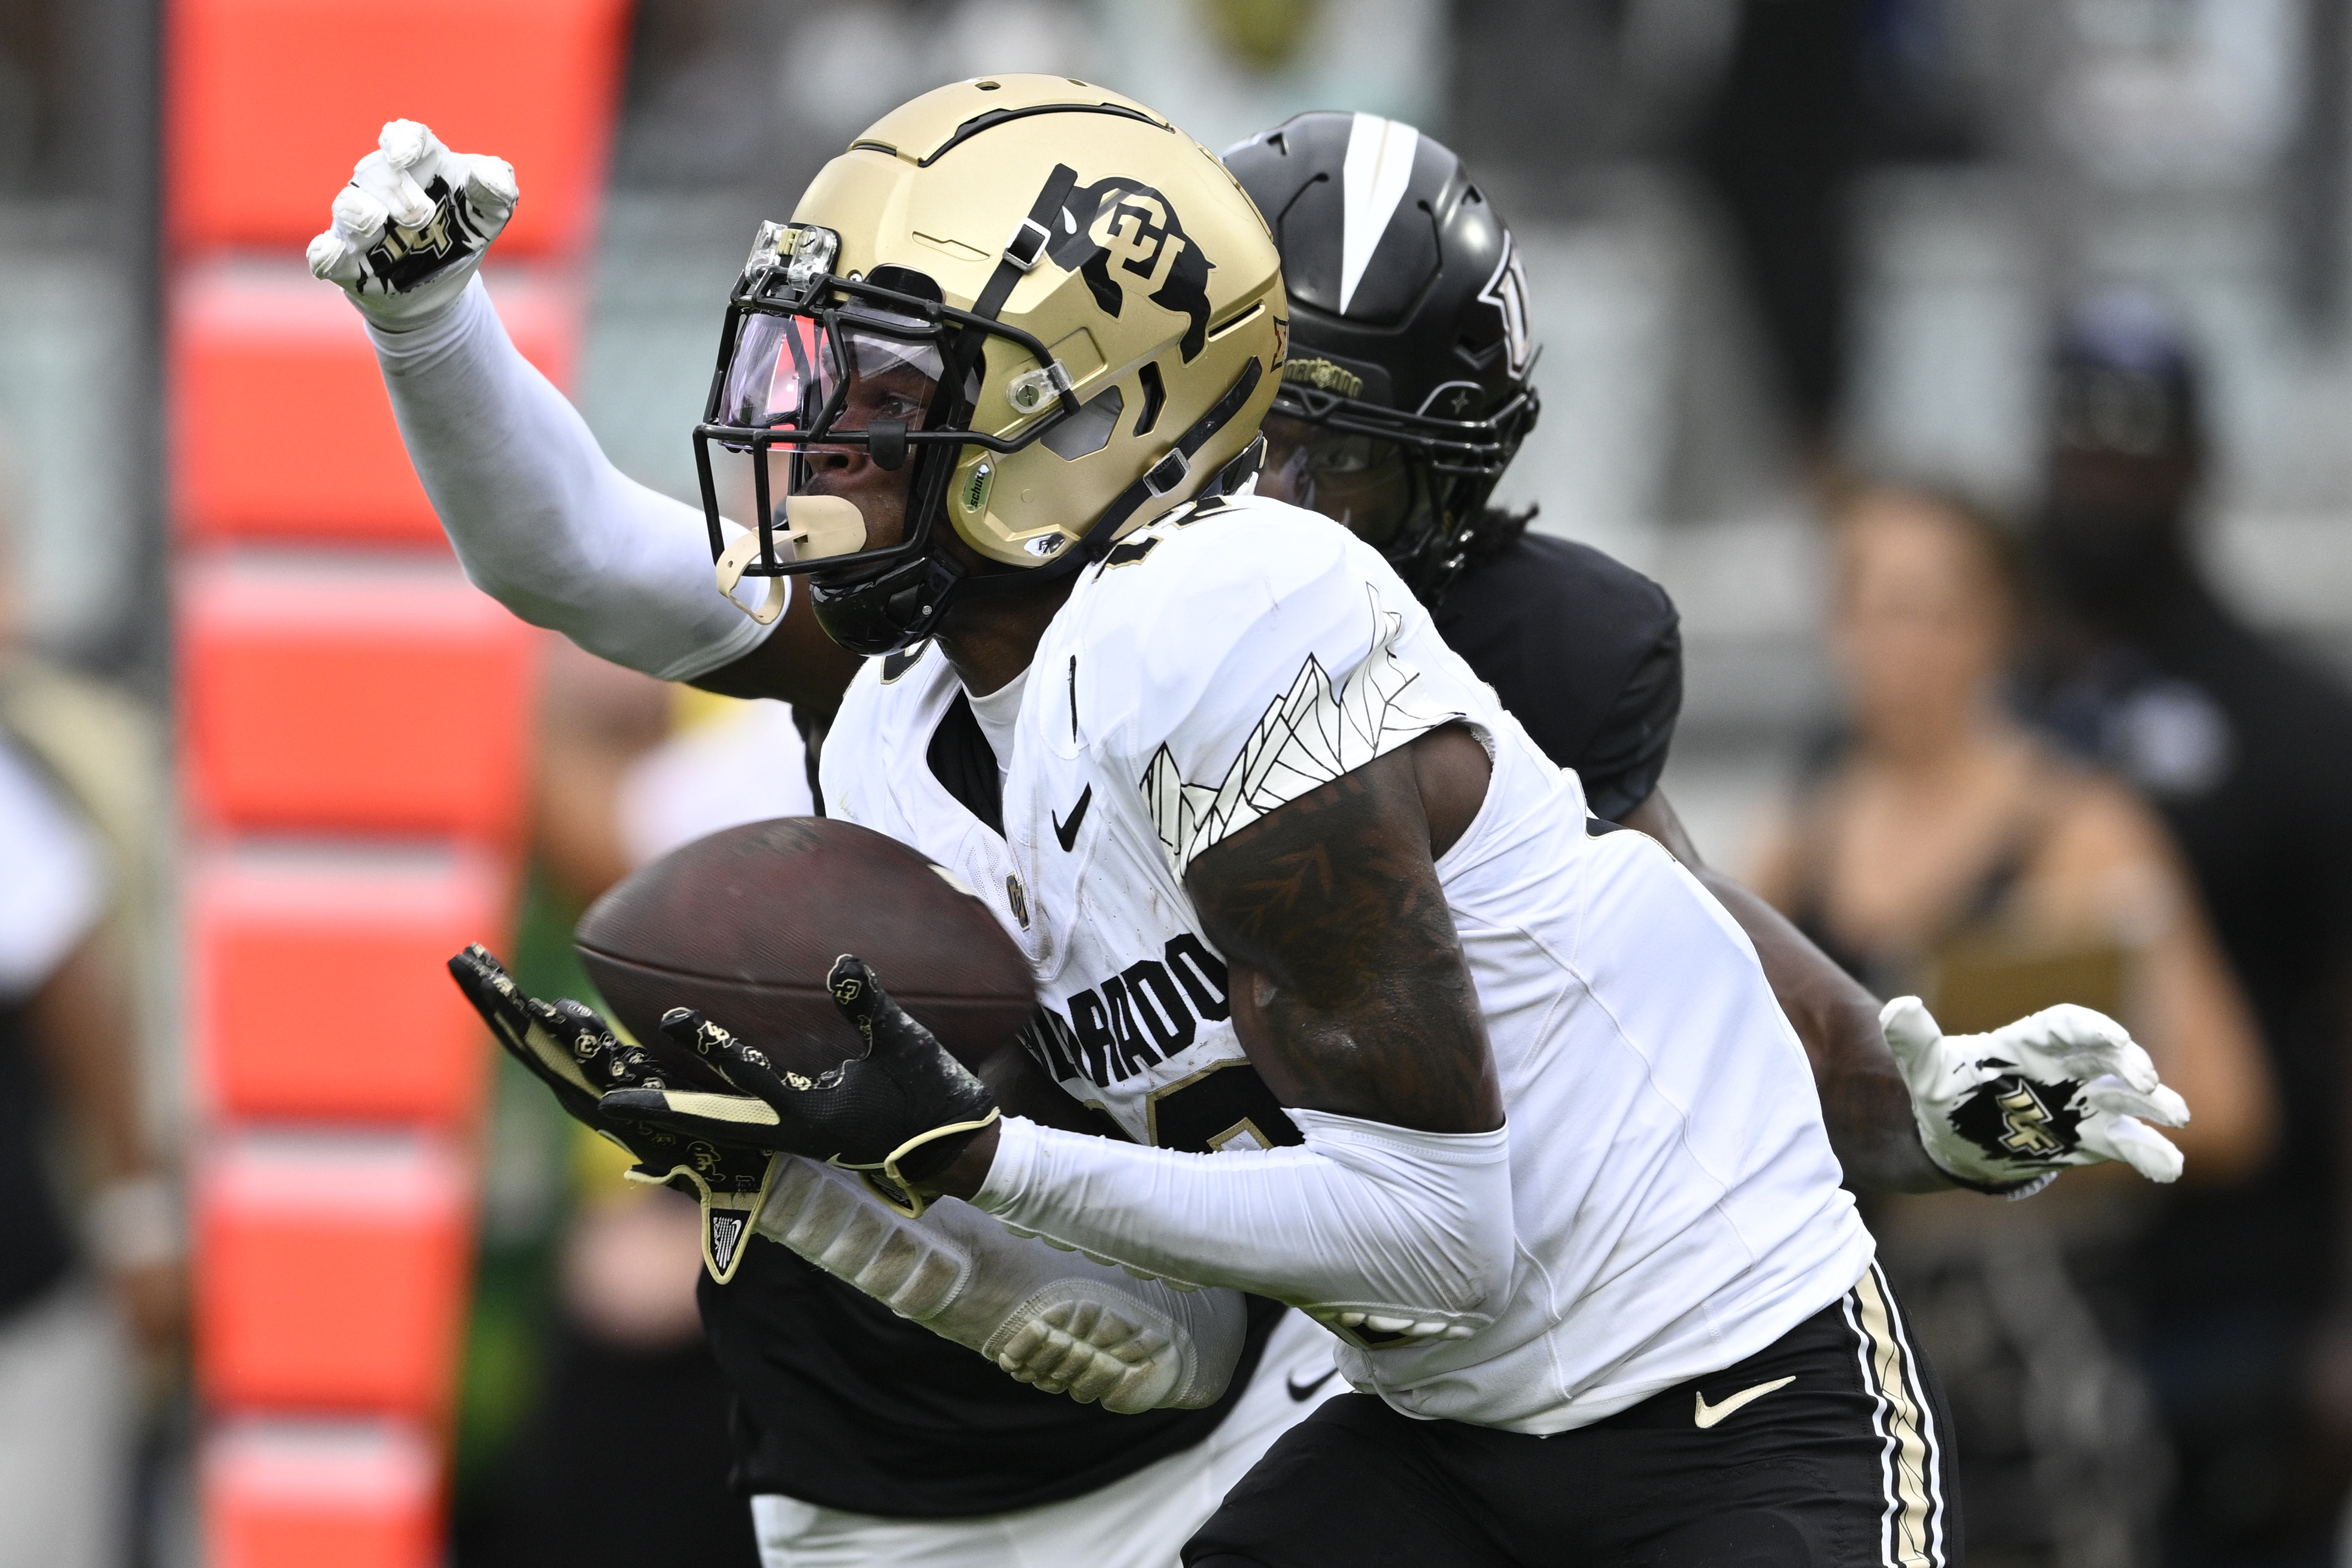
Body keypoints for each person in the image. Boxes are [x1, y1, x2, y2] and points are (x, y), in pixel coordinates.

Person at [311, 93, 2195, 1564]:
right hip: (1421, 1411)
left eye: (890, 400)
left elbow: (1449, 1206)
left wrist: (961, 1160)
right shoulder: (913, 697)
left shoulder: (1234, 618)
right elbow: (594, 558)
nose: (825, 445)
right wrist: (429, 331)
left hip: (1707, 1373)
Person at [1748, 481, 2275, 1566]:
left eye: (1933, 610)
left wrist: (2005, 1134)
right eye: (1875, 607)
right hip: (1852, 1377)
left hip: (2035, 1376)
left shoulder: (2081, 830)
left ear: (1996, 626)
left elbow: (2222, 1104)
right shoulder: (1792, 851)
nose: (1903, 645)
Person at [2017, 288, 2352, 1561]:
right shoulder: (1980, 715)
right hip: (2010, 1313)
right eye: (2077, 447)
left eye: (2133, 452)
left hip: (2234, 1303)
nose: (2101, 483)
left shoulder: (2299, 725)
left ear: (2199, 465)